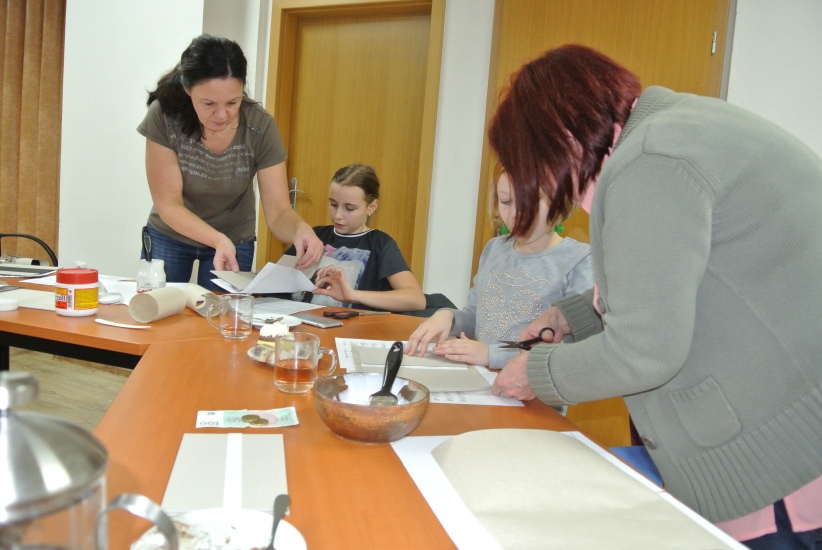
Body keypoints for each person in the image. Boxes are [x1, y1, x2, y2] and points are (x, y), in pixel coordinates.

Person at [488, 44, 822, 548]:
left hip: (780, 468)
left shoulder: (650, 163)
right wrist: (573, 316)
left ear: (562, 137)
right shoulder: (678, 129)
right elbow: (677, 277)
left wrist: (536, 372)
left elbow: (644, 352)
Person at [137, 35, 322, 291]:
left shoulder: (259, 126)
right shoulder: (165, 115)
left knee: (225, 313)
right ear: (187, 89)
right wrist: (216, 239)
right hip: (171, 234)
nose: (221, 114)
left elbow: (279, 211)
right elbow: (169, 205)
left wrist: (300, 229)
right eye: (209, 103)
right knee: (161, 307)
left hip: (234, 238)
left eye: (232, 103)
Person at [405, 168, 592, 370]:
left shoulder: (580, 259)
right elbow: (476, 316)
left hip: (533, 385)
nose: (515, 214)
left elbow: (572, 349)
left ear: (559, 202)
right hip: (483, 376)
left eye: (530, 202)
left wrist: (491, 354)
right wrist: (449, 317)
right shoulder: (494, 249)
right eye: (506, 201)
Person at [286, 164, 425, 312]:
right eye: (333, 204)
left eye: (349, 208)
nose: (338, 215)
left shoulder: (380, 244)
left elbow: (416, 299)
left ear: (371, 206)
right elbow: (275, 279)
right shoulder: (315, 235)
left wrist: (354, 295)